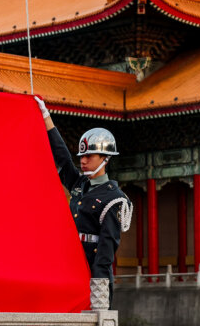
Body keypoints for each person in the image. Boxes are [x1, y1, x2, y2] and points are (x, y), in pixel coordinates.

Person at [35, 97, 132, 297]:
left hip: (92, 272)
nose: (83, 161)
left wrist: (98, 287)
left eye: (89, 156)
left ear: (105, 158)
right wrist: (46, 118)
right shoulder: (79, 185)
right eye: (81, 156)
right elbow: (63, 158)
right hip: (70, 266)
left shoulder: (114, 199)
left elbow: (106, 249)